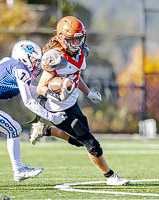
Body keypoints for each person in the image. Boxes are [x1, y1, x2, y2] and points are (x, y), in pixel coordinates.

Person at [29, 16, 130, 186]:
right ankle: (111, 176)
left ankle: (44, 130)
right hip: (57, 109)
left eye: (79, 38)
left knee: (78, 141)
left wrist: (88, 92)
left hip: (72, 104)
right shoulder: (55, 57)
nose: (76, 43)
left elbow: (76, 76)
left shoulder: (81, 53)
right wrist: (56, 94)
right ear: (61, 38)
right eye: (72, 39)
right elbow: (41, 87)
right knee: (92, 144)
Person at [0, 40, 66, 183]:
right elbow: (28, 101)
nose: (37, 65)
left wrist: (46, 92)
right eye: (35, 61)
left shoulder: (10, 64)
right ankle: (19, 170)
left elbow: (29, 90)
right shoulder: (20, 69)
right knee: (13, 128)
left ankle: (19, 170)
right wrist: (51, 117)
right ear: (25, 58)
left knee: (13, 128)